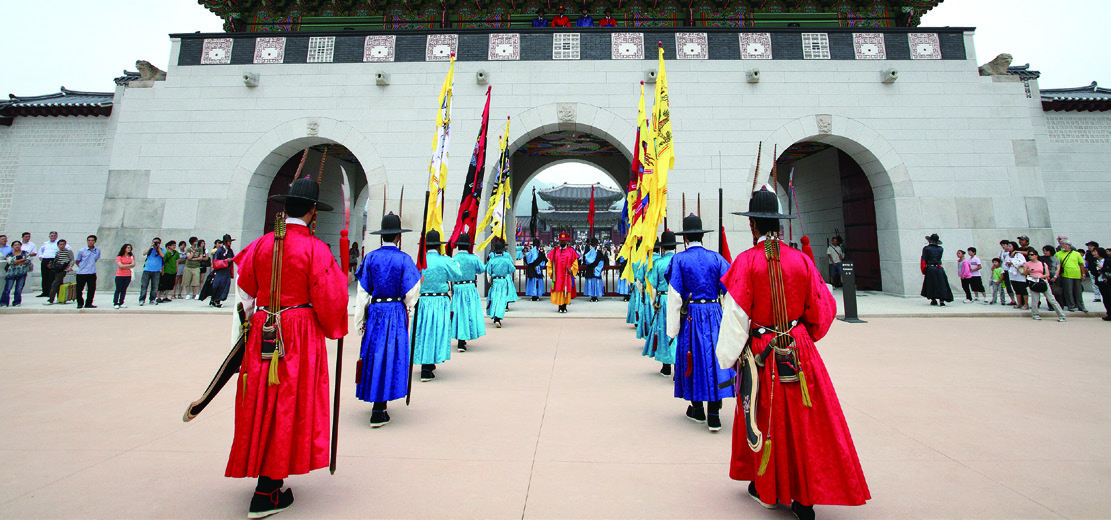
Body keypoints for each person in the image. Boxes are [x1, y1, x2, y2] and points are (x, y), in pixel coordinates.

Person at [716, 186, 869, 520]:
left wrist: (727, 358)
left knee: (765, 419)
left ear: (753, 226)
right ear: (780, 226)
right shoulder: (801, 260)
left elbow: (735, 320)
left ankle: (767, 489)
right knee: (806, 421)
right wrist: (801, 333)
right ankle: (805, 498)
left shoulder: (745, 263)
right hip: (799, 348)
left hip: (763, 351)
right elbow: (824, 310)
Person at [225, 177, 348, 519]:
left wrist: (244, 336)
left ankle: (266, 477)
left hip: (264, 330)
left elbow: (244, 296)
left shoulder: (261, 245)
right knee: (289, 403)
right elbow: (332, 298)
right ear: (312, 212)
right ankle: (268, 489)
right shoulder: (315, 249)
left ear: (284, 207)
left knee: (262, 402)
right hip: (298, 332)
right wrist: (333, 325)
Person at [666, 214, 734, 433]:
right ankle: (714, 414)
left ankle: (697, 409)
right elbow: (730, 289)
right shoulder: (716, 258)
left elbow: (675, 296)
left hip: (691, 315)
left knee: (692, 359)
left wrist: (672, 330)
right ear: (702, 236)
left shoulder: (679, 260)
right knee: (715, 360)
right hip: (714, 313)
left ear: (685, 237)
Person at [355, 213, 420, 428]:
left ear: (381, 235)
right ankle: (380, 408)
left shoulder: (370, 258)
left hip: (375, 310)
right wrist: (408, 306)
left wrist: (360, 320)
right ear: (398, 237)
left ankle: (377, 404)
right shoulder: (404, 259)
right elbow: (412, 290)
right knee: (391, 354)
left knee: (374, 354)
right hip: (394, 311)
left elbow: (362, 293)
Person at [413, 231, 462, 382]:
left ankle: (427, 361)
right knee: (436, 331)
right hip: (440, 301)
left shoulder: (420, 261)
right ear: (439, 246)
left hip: (423, 300)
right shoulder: (444, 260)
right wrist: (452, 262)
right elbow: (457, 275)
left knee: (424, 331)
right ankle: (426, 367)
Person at [645, 231, 678, 377]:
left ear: (663, 247)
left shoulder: (657, 263)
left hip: (663, 299)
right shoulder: (679, 260)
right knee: (678, 332)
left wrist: (654, 303)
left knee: (665, 331)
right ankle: (679, 366)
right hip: (679, 300)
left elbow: (652, 287)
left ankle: (666, 366)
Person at [450, 234, 486, 352]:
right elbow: (481, 269)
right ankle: (464, 338)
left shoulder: (453, 259)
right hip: (470, 288)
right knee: (469, 313)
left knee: (459, 313)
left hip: (458, 288)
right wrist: (476, 257)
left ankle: (461, 339)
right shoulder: (473, 258)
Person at [1021, 248, 1066, 322]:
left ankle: (1061, 315)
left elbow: (1047, 274)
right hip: (1033, 282)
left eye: (1032, 255)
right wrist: (1028, 271)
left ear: (1036, 255)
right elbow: (1024, 273)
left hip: (1042, 281)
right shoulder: (1027, 263)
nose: (1030, 256)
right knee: (1035, 300)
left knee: (1051, 299)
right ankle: (1035, 314)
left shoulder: (1042, 263)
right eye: (1029, 255)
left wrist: (1040, 277)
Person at [486, 240, 516, 328]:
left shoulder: (492, 260)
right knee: (502, 299)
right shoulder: (506, 260)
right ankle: (498, 317)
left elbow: (488, 271)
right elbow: (512, 269)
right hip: (503, 280)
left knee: (495, 298)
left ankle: (494, 315)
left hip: (495, 281)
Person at [546, 232, 579, 313]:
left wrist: (571, 270)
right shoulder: (554, 251)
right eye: (561, 241)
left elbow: (575, 264)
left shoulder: (571, 251)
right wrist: (552, 274)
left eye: (564, 240)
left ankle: (565, 306)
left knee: (566, 290)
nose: (562, 242)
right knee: (559, 290)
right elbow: (550, 264)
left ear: (567, 241)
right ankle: (560, 306)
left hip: (567, 275)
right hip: (558, 275)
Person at [1055, 240, 1089, 312]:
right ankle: (1070, 305)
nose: (1063, 246)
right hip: (1066, 275)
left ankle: (1081, 305)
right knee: (1068, 291)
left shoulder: (1076, 254)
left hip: (1077, 275)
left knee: (1078, 291)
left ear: (1069, 246)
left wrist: (1083, 274)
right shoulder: (1058, 254)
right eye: (1062, 244)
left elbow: (1081, 265)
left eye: (1064, 244)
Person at [920, 234, 953, 306]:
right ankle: (942, 300)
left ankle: (933, 299)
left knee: (931, 284)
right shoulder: (940, 249)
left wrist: (923, 270)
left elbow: (923, 259)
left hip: (930, 268)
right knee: (941, 284)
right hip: (939, 268)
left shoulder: (926, 249)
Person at [73, 235, 101, 309]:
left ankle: (89, 303)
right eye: (89, 240)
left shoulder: (97, 250)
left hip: (91, 272)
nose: (90, 242)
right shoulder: (82, 251)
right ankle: (80, 303)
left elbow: (96, 259)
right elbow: (77, 261)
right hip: (81, 273)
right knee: (79, 289)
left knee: (91, 289)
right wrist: (82, 266)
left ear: (95, 241)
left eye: (92, 240)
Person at [1, 241, 30, 307]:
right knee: (7, 289)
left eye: (18, 245)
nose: (17, 246)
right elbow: (11, 262)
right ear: (12, 246)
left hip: (22, 273)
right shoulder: (9, 254)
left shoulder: (25, 253)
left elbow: (27, 260)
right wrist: (22, 260)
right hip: (11, 273)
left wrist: (17, 262)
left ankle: (16, 302)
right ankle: (4, 302)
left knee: (19, 289)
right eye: (15, 245)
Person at [210, 234, 236, 308]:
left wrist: (231, 261)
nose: (230, 243)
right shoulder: (219, 250)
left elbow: (233, 258)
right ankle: (214, 299)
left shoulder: (230, 251)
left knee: (225, 285)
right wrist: (225, 261)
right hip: (219, 271)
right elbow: (215, 261)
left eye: (230, 241)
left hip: (226, 271)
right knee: (217, 285)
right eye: (228, 241)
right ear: (225, 242)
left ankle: (218, 300)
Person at [45, 239, 74, 305]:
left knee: (55, 284)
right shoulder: (58, 252)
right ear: (58, 245)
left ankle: (51, 299)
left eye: (63, 244)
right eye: (60, 244)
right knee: (59, 284)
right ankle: (60, 298)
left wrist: (70, 267)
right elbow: (56, 260)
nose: (62, 246)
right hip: (57, 269)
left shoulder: (68, 252)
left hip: (63, 269)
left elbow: (72, 260)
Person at [139, 237, 164, 306]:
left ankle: (152, 299)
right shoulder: (150, 250)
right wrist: (150, 246)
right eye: (154, 242)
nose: (155, 243)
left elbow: (163, 255)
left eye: (157, 242)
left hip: (156, 271)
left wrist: (158, 248)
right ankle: (141, 299)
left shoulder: (162, 250)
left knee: (154, 286)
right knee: (144, 286)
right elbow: (144, 253)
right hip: (147, 270)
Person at [36, 231, 62, 297]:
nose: (52, 237)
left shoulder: (59, 243)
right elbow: (40, 250)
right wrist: (40, 256)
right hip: (45, 260)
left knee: (52, 277)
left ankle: (51, 292)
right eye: (51, 235)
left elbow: (67, 249)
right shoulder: (46, 243)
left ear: (56, 236)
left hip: (53, 260)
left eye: (54, 236)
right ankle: (45, 292)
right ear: (49, 236)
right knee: (44, 276)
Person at [1003, 241, 1028, 310]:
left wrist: (1012, 262)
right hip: (1012, 274)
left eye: (1010, 246)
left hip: (1020, 274)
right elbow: (1006, 263)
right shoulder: (1008, 255)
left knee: (1023, 289)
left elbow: (1023, 262)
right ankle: (1019, 303)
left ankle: (1026, 304)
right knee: (1016, 290)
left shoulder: (1018, 254)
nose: (1008, 247)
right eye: (1008, 246)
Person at [1089, 247, 1110, 320]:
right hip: (1101, 282)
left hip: (1108, 282)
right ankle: (1109, 313)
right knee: (1105, 298)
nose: (1094, 253)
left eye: (1095, 252)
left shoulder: (1107, 261)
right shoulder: (1095, 262)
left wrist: (1102, 268)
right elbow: (1092, 271)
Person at [582, 237, 605, 302]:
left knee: (596, 283)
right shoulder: (587, 252)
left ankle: (596, 296)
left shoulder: (599, 252)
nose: (594, 246)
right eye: (593, 244)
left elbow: (602, 261)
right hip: (590, 269)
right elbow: (585, 260)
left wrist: (597, 268)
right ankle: (592, 296)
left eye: (595, 244)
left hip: (597, 269)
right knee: (591, 282)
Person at [113, 244, 135, 309]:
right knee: (118, 289)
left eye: (130, 248)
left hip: (128, 275)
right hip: (120, 275)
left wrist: (125, 265)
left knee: (124, 289)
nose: (129, 249)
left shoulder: (131, 256)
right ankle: (115, 303)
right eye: (128, 247)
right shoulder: (119, 256)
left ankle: (121, 302)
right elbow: (120, 266)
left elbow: (133, 264)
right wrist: (128, 265)